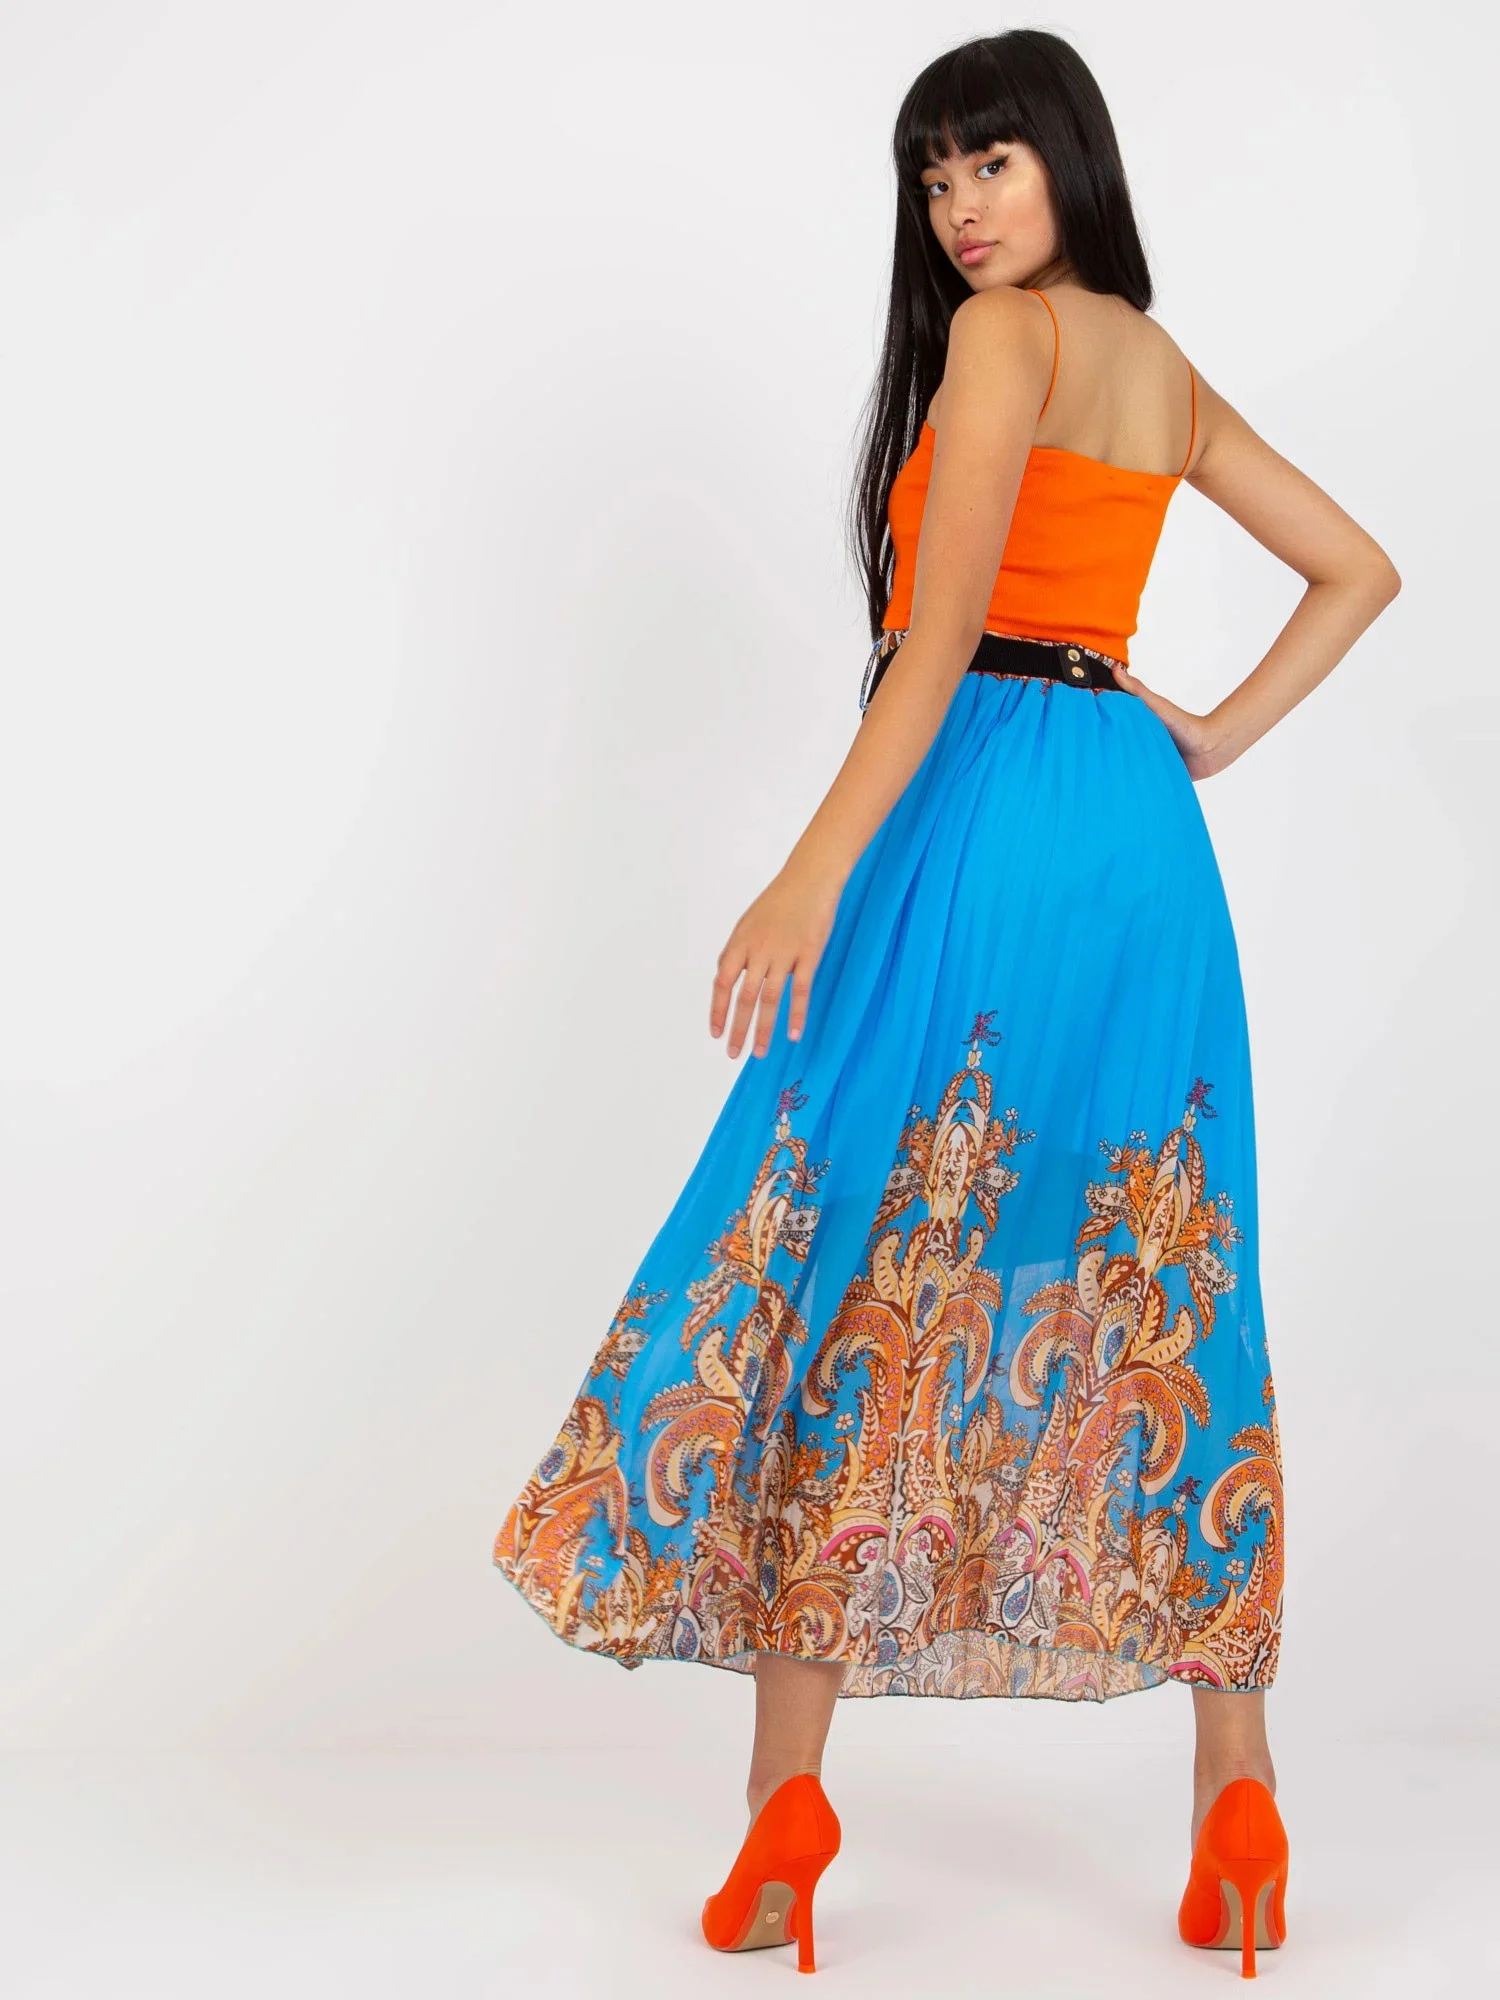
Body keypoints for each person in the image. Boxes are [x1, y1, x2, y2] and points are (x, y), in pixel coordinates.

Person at [492, 27, 1399, 1981]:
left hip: (979, 814)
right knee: (1164, 1277)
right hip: (1139, 843)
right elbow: (1358, 568)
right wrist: (1206, 737)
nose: (962, 207)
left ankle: (784, 1813)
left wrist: (811, 868)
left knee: (854, 1259)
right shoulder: (1161, 369)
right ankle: (1238, 1794)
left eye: (992, 161)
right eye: (934, 175)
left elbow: (940, 642)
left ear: (1070, 157)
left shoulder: (1006, 341)